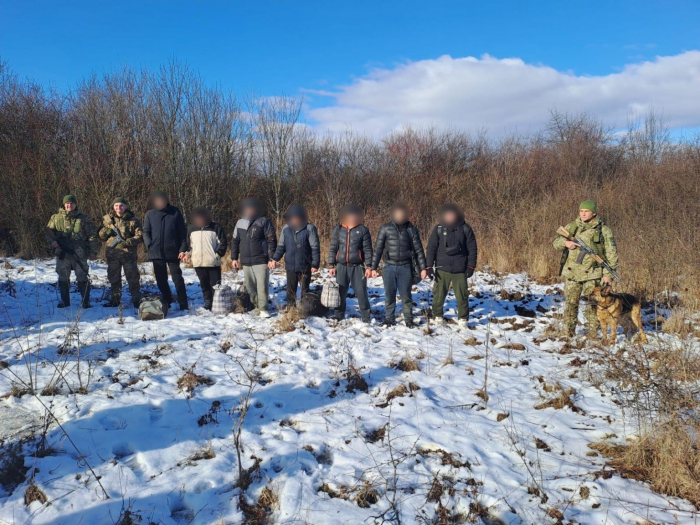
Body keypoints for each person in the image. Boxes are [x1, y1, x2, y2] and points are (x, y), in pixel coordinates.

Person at [553, 199, 619, 338]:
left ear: (593, 213)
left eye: (586, 211)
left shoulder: (604, 231)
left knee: (593, 307)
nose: (583, 214)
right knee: (571, 305)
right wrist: (566, 243)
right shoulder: (572, 226)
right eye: (581, 211)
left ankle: (593, 334)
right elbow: (556, 243)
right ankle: (568, 333)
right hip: (572, 274)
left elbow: (611, 254)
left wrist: (607, 275)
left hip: (593, 274)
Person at [370, 203, 427, 328]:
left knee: (406, 295)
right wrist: (373, 267)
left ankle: (408, 319)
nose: (400, 216)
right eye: (398, 214)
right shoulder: (385, 228)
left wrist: (423, 268)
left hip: (405, 267)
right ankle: (389, 318)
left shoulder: (412, 229)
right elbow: (378, 249)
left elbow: (419, 250)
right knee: (389, 295)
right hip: (388, 267)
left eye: (402, 214)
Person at [425, 203, 478, 328]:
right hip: (442, 268)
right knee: (439, 294)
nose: (450, 217)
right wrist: (429, 267)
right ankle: (438, 316)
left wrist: (471, 266)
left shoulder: (465, 228)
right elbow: (431, 248)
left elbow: (472, 248)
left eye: (452, 214)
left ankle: (463, 319)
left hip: (460, 269)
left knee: (462, 296)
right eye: (448, 215)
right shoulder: (438, 229)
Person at [45, 194, 99, 308]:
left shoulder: (84, 218)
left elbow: (92, 236)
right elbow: (49, 233)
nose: (69, 205)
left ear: (75, 204)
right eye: (67, 204)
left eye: (72, 203)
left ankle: (85, 302)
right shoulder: (55, 218)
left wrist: (93, 251)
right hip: (62, 253)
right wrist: (53, 243)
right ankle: (65, 302)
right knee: (63, 277)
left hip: (79, 253)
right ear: (64, 205)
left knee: (82, 277)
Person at [230, 198, 277, 318]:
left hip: (261, 259)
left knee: (262, 285)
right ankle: (256, 306)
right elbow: (235, 241)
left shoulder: (263, 221)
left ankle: (263, 308)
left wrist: (271, 258)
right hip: (246, 260)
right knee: (250, 286)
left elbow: (271, 240)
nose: (249, 210)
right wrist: (234, 258)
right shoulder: (240, 223)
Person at [142, 191, 189, 310]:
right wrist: (149, 245)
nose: (160, 202)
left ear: (166, 200)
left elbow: (182, 233)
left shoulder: (175, 212)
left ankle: (183, 303)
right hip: (156, 252)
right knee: (161, 280)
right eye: (158, 200)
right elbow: (146, 232)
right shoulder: (150, 214)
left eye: (162, 200)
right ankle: (168, 300)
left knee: (177, 279)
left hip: (173, 251)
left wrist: (183, 249)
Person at [328, 205, 373, 323]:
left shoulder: (363, 230)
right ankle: (338, 314)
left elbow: (368, 250)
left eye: (355, 215)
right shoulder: (338, 230)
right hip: (341, 266)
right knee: (340, 292)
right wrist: (331, 265)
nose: (352, 217)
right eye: (350, 215)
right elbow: (333, 247)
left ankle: (366, 315)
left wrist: (369, 266)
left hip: (357, 267)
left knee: (361, 292)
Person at [269, 204, 320, 308]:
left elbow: (315, 248)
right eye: (293, 218)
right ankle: (291, 309)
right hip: (290, 266)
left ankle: (304, 308)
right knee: (290, 290)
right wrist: (274, 259)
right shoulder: (286, 229)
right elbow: (281, 246)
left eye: (297, 217)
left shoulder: (309, 229)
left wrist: (315, 264)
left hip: (305, 266)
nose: (295, 220)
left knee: (305, 290)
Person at [98, 197, 143, 308]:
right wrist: (105, 231)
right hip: (113, 254)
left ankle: (136, 301)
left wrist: (128, 242)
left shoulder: (133, 220)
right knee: (114, 278)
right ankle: (115, 300)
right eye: (116, 205)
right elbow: (100, 236)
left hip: (129, 254)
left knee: (133, 278)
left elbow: (141, 236)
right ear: (113, 207)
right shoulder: (107, 220)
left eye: (121, 205)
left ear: (126, 206)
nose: (119, 208)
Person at [184, 207, 227, 310]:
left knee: (215, 284)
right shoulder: (191, 229)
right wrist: (187, 254)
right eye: (198, 218)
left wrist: (217, 254)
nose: (200, 220)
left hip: (213, 262)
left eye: (202, 218)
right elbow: (189, 245)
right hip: (198, 262)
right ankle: (208, 302)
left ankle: (217, 303)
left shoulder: (215, 227)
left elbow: (223, 243)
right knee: (204, 284)